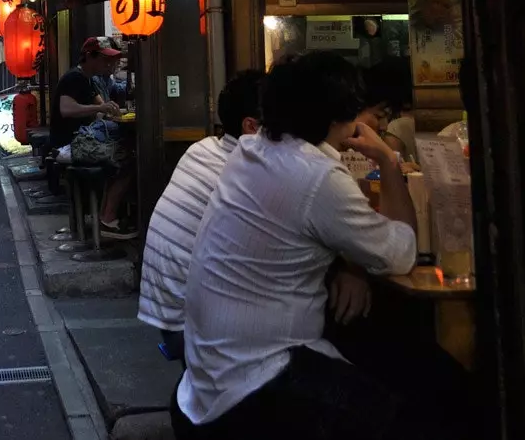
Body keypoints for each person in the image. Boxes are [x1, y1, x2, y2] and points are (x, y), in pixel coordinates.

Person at [173, 51, 429, 440]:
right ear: (338, 116)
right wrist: (386, 159)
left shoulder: (254, 149)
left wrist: (353, 264)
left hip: (207, 375)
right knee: (416, 416)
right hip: (257, 382)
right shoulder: (317, 175)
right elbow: (400, 254)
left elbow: (303, 225)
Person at [139, 70, 267, 364]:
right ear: (251, 126)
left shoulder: (202, 149)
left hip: (166, 314)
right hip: (191, 324)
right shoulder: (248, 173)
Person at [52, 37, 134, 240]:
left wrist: (109, 109)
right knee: (127, 161)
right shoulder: (74, 77)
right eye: (105, 59)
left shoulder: (88, 78)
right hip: (71, 144)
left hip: (83, 141)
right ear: (89, 57)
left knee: (124, 153)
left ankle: (104, 218)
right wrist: (101, 108)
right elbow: (66, 109)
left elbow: (103, 106)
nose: (109, 64)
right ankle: (107, 218)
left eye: (111, 60)